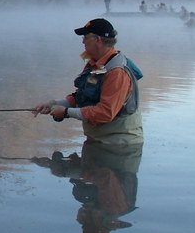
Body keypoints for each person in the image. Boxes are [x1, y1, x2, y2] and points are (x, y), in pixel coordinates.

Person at [33, 18, 144, 153]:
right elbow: (83, 96)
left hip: (118, 147)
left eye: (85, 37)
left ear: (98, 40)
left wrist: (66, 112)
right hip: (98, 142)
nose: (83, 41)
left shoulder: (117, 72)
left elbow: (106, 113)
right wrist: (53, 104)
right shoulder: (95, 63)